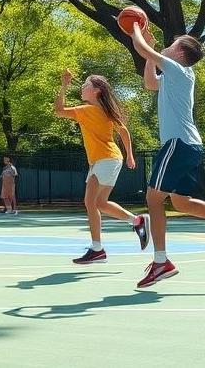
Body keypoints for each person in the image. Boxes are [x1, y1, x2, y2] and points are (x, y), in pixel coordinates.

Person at [129, 22, 205, 289]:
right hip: (189, 146)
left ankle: (161, 262)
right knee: (182, 203)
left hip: (178, 144)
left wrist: (137, 29)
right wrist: (149, 53)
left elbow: (140, 47)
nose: (168, 45)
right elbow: (150, 83)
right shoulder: (176, 75)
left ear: (181, 54)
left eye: (173, 44)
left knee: (153, 197)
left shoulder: (178, 70)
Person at [55, 68, 149, 263]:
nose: (82, 87)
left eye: (86, 85)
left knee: (91, 203)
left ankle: (97, 249)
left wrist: (64, 85)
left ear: (96, 91)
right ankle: (137, 221)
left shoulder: (87, 110)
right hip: (103, 160)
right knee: (99, 203)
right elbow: (124, 132)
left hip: (106, 159)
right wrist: (129, 155)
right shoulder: (103, 112)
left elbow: (59, 110)